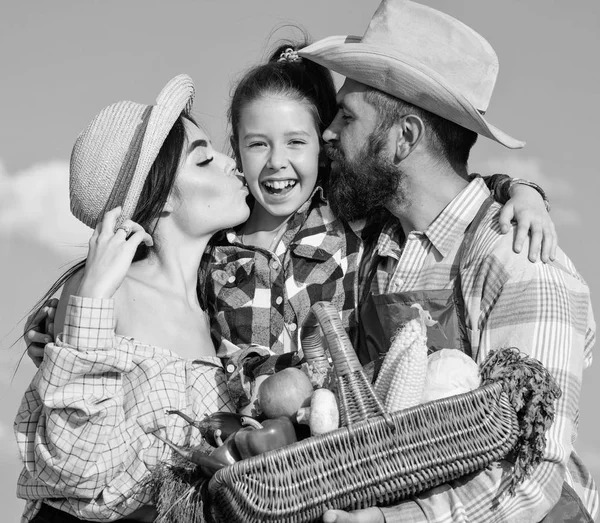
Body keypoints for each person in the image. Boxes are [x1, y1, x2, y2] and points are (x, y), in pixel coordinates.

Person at [297, 1, 598, 522]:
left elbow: (532, 475)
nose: (327, 133)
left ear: (404, 138)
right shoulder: (379, 247)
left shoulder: (519, 262)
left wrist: (396, 520)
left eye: (347, 117)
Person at [200, 42, 554, 411]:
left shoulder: (347, 217)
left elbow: (447, 193)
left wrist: (521, 191)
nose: (276, 161)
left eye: (296, 142)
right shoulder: (215, 249)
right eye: (257, 144)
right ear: (236, 149)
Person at [14, 74, 250, 522]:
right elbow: (75, 465)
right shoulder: (105, 291)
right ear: (159, 199)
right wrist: (92, 296)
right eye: (203, 161)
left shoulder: (222, 305)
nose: (228, 161)